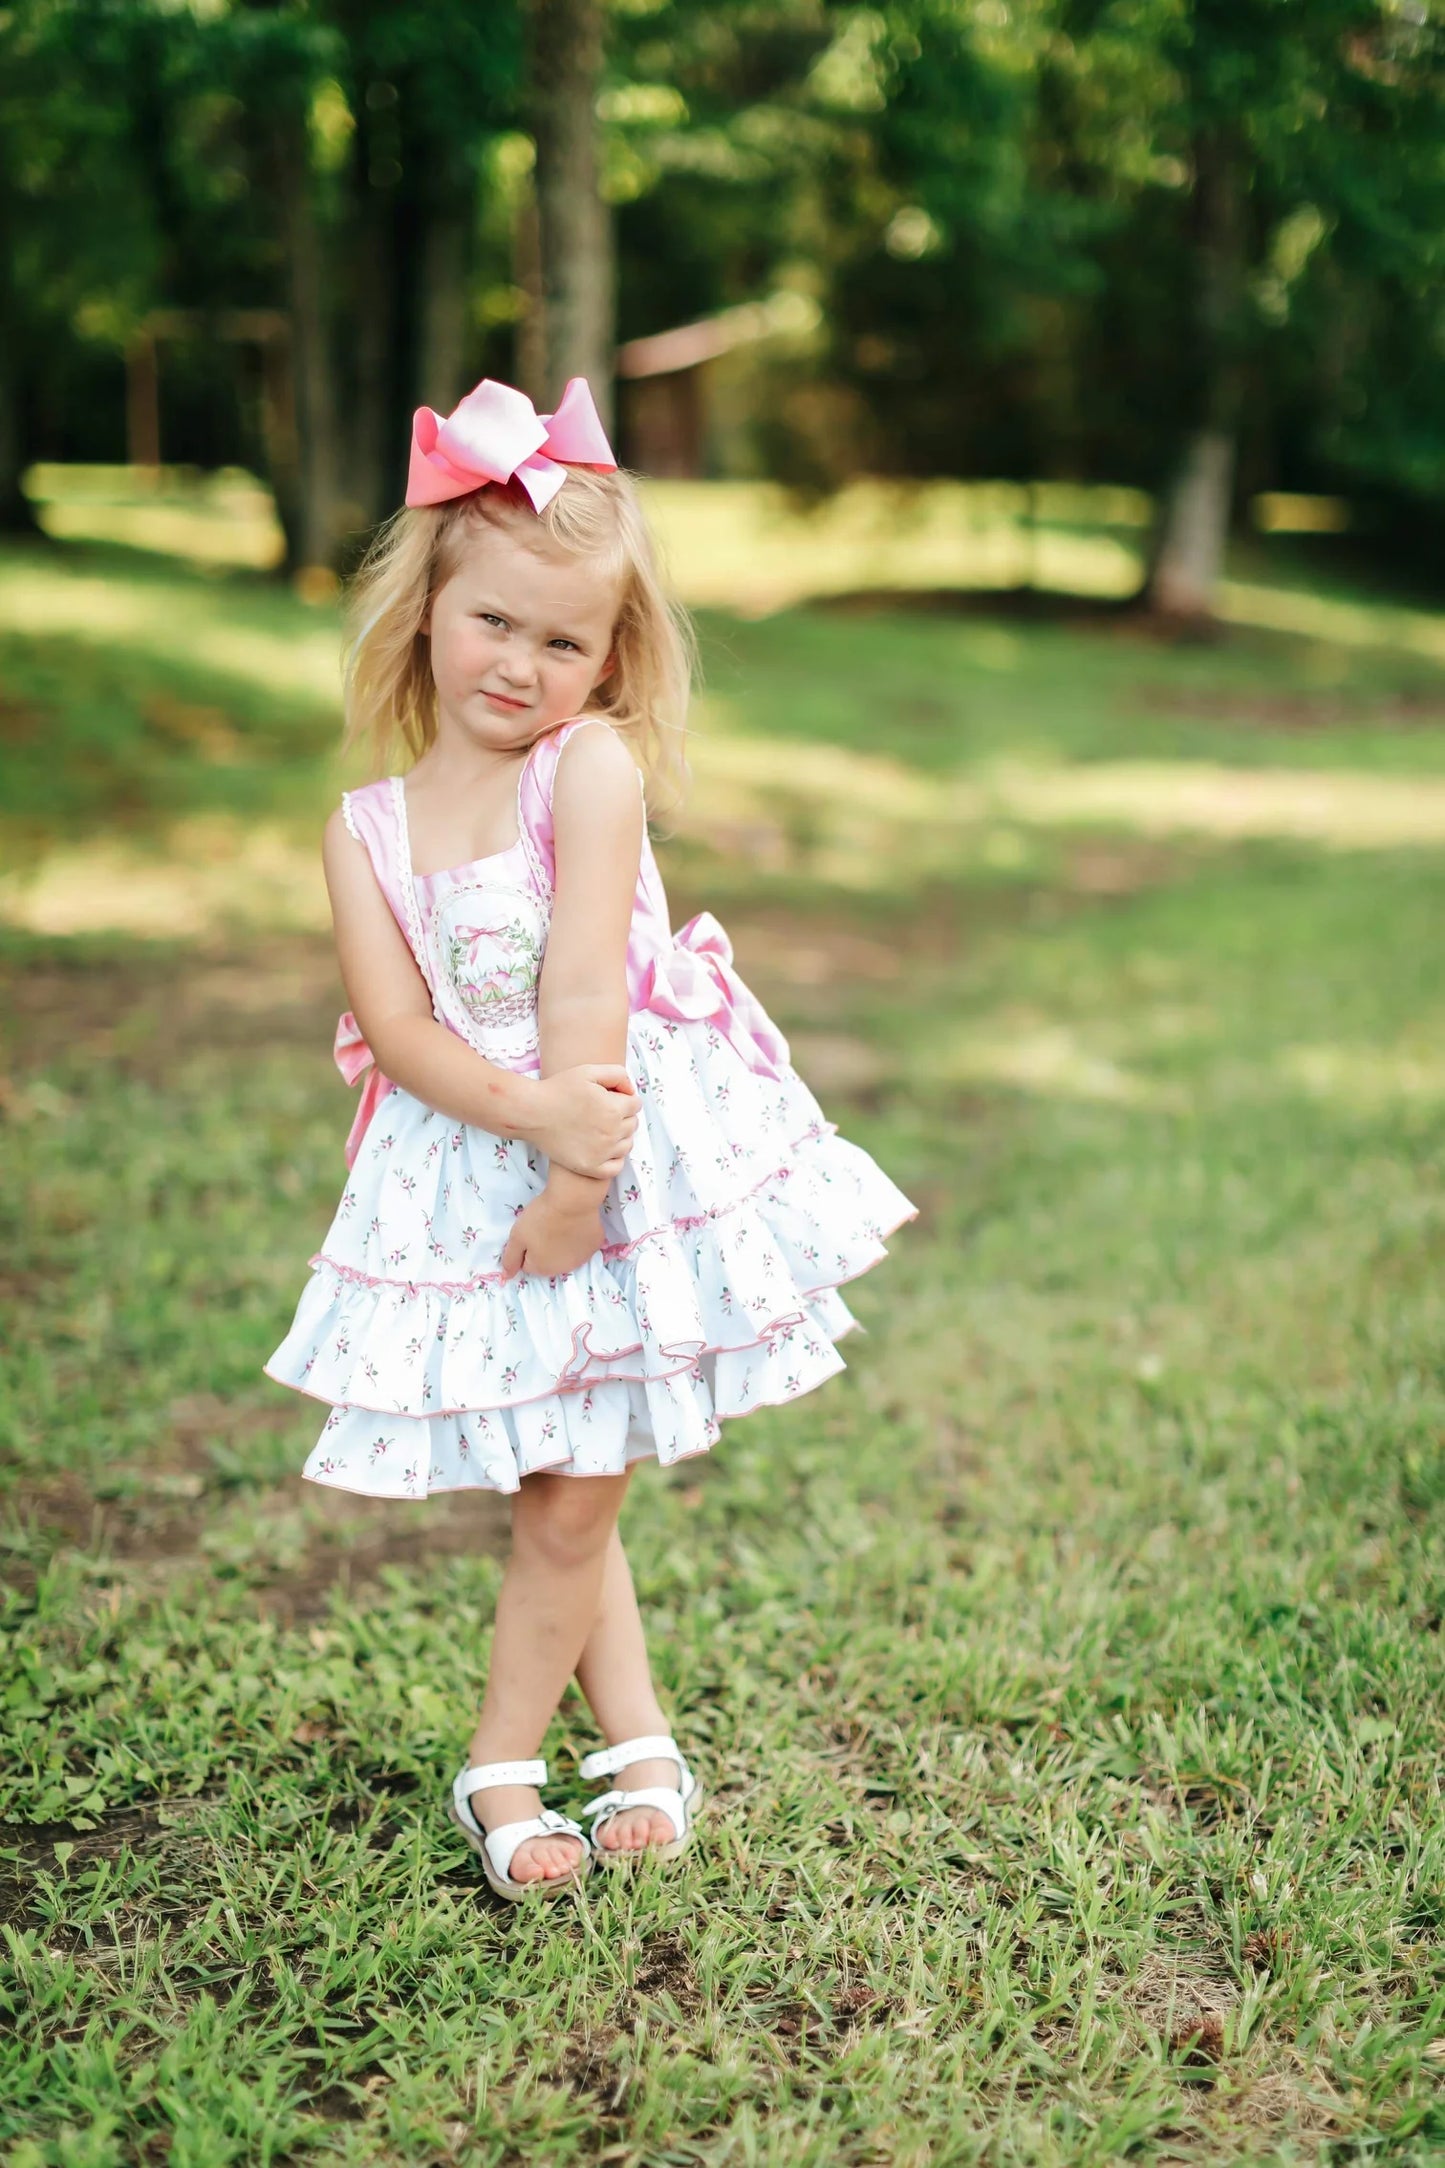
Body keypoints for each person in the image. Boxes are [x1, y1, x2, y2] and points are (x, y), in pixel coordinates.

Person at [265, 376, 915, 1902]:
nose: (524, 663)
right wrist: (523, 1128)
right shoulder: (364, 826)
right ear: (427, 607)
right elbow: (402, 1028)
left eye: (565, 641)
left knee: (570, 1487)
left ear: (608, 656)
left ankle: (497, 1758)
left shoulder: (590, 766)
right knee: (567, 1458)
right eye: (495, 622)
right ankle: (639, 1740)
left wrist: (576, 1168)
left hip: (611, 1151)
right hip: (485, 1155)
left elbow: (577, 982)